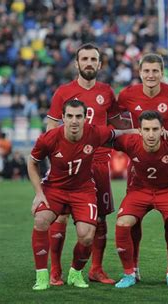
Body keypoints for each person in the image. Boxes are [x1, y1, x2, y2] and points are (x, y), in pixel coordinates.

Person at [28, 99, 130, 291]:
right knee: (41, 220)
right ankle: (41, 275)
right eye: (69, 116)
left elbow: (120, 133)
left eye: (78, 117)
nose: (74, 121)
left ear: (85, 118)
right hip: (54, 189)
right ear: (63, 118)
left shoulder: (94, 132)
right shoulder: (49, 138)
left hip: (83, 190)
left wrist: (142, 131)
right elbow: (32, 162)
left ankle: (75, 273)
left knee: (87, 237)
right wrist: (38, 194)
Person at [45, 43, 125, 285]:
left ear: (99, 64)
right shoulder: (63, 92)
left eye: (93, 59)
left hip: (98, 162)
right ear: (77, 63)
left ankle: (95, 269)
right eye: (84, 59)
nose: (89, 63)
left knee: (100, 219)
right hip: (68, 165)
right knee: (59, 218)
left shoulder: (107, 92)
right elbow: (50, 129)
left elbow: (115, 129)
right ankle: (55, 270)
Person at [117, 53, 168, 280]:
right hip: (138, 167)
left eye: (155, 71)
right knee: (132, 220)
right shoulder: (127, 95)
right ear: (140, 72)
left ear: (162, 73)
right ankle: (134, 268)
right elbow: (114, 119)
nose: (151, 75)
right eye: (146, 71)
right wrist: (132, 132)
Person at [112, 110, 168, 289]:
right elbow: (104, 136)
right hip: (139, 191)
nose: (151, 134)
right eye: (146, 129)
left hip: (167, 191)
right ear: (140, 130)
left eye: (155, 129)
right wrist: (127, 131)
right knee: (123, 223)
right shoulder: (130, 142)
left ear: (163, 129)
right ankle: (129, 273)